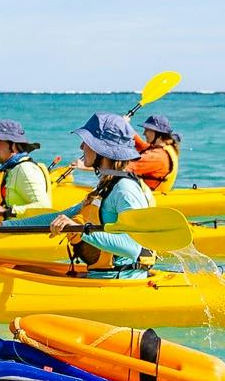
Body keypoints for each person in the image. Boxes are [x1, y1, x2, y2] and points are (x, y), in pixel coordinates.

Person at [50, 112, 154, 270]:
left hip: (120, 282)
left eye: (87, 141)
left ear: (102, 149)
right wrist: (2, 224)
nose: (81, 146)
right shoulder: (106, 185)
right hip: (101, 276)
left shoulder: (124, 189)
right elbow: (61, 216)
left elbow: (133, 247)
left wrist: (79, 229)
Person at [0, 118, 53, 232]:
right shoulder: (10, 169)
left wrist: (7, 211)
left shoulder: (25, 170)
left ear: (13, 145)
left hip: (22, 236)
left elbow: (44, 207)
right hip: (7, 230)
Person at [127, 112, 181, 192]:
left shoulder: (158, 156)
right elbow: (140, 144)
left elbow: (126, 167)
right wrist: (125, 126)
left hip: (151, 198)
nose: (144, 133)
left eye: (147, 130)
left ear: (158, 134)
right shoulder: (165, 147)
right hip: (153, 195)